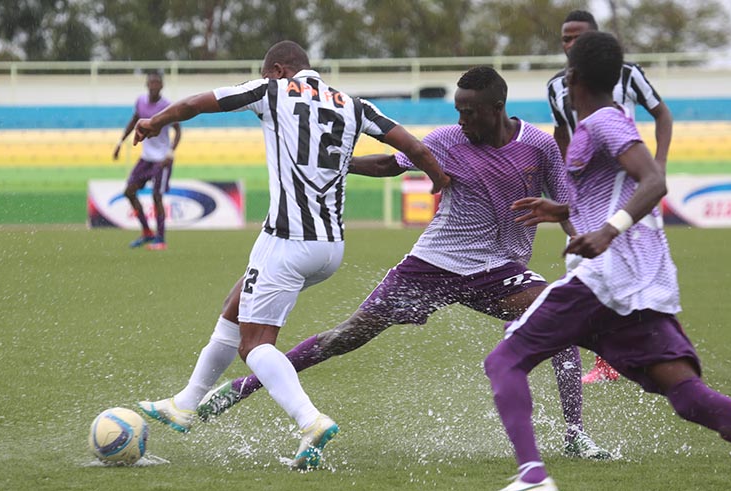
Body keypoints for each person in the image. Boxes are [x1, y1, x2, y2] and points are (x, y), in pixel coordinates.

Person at [140, 66, 610, 460]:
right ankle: (243, 387)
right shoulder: (447, 139)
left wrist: (577, 238)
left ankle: (575, 435)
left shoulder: (540, 147)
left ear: (497, 108)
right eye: (458, 111)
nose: (462, 120)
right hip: (431, 264)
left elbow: (568, 201)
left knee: (557, 322)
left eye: (470, 112)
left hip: (501, 268)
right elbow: (393, 163)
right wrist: (333, 164)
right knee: (347, 336)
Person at [485, 31, 731, 491]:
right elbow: (615, 189)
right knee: (688, 398)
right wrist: (565, 211)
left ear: (573, 77)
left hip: (605, 277)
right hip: (637, 285)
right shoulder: (596, 127)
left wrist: (606, 231)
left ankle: (533, 478)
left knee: (505, 360)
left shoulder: (607, 121)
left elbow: (653, 181)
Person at [134, 40, 449, 470]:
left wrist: (156, 121)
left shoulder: (272, 91)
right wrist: (438, 180)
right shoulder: (355, 107)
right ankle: (185, 403)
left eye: (268, 74)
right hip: (329, 245)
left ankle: (310, 421)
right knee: (235, 307)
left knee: (255, 344)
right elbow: (416, 149)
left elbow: (197, 103)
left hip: (289, 239)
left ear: (279, 70)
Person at [546, 9, 674, 383]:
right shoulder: (557, 86)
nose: (571, 45)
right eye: (565, 38)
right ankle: (612, 357)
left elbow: (661, 114)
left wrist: (660, 163)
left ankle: (655, 347)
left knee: (639, 268)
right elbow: (563, 136)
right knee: (587, 269)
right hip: (585, 193)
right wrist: (561, 182)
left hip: (628, 185)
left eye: (578, 37)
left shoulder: (628, 74)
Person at [113, 71, 181, 250]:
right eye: (151, 82)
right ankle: (146, 232)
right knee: (129, 191)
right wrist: (120, 142)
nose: (153, 86)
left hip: (161, 159)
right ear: (146, 84)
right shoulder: (141, 101)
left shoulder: (166, 106)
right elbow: (134, 121)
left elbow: (178, 131)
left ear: (162, 86)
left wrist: (170, 154)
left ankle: (160, 239)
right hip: (146, 158)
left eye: (157, 83)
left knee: (156, 196)